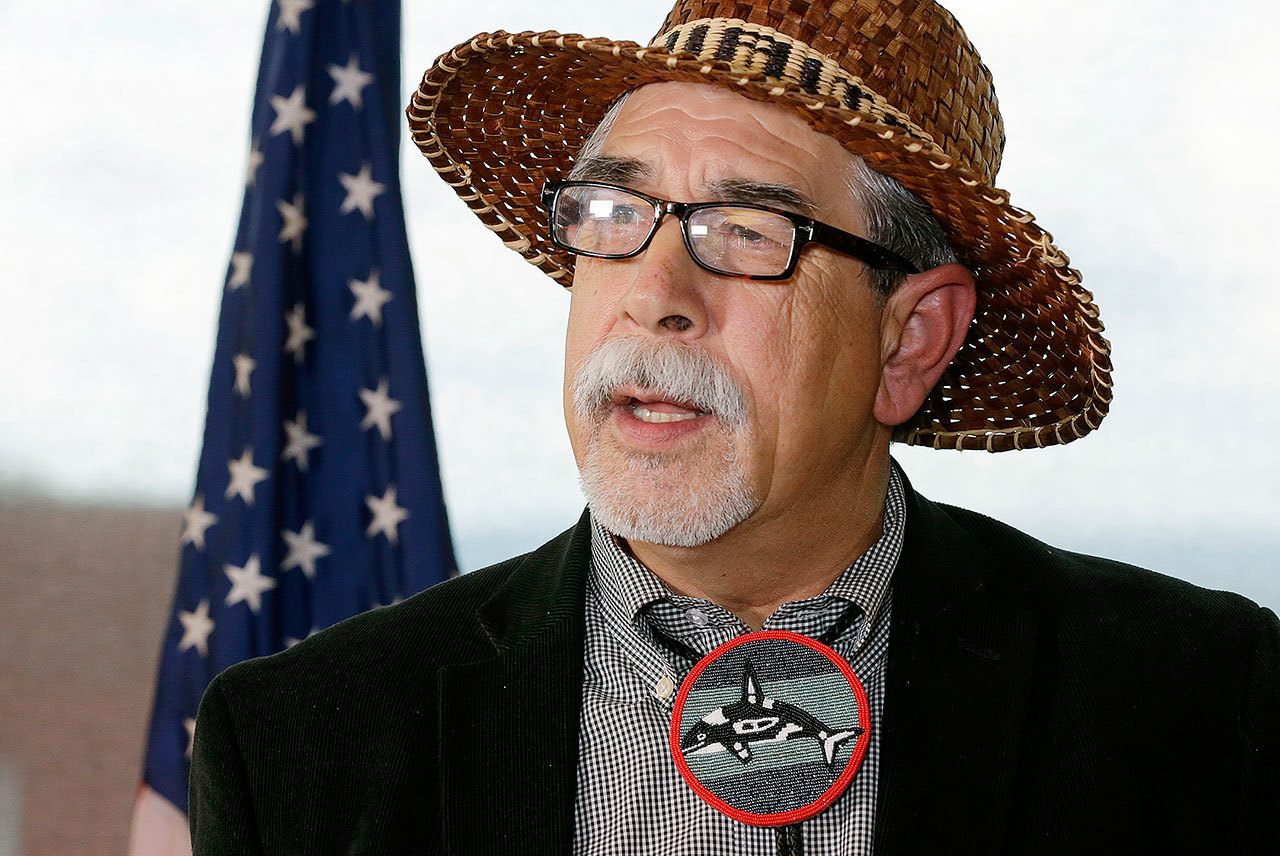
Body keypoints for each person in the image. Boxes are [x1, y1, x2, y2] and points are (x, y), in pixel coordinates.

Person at [189, 0, 1280, 853]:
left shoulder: (1201, 707)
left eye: (746, 230)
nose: (651, 290)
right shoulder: (299, 743)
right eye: (614, 216)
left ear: (908, 340)